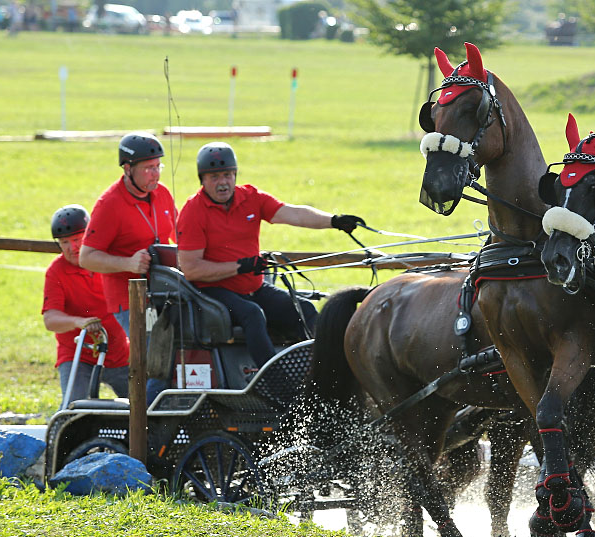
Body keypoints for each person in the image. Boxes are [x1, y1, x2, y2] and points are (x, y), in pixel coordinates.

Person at [176, 141, 365, 368]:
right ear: (202, 180)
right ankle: (274, 380)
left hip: (254, 287)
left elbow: (294, 214)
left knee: (302, 309)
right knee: (253, 315)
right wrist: (239, 266)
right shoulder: (193, 211)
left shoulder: (251, 197)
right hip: (212, 294)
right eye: (214, 177)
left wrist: (334, 221)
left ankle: (326, 370)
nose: (223, 183)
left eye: (227, 175)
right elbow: (191, 269)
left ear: (235, 175)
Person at [79, 132, 176, 335]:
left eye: (158, 167)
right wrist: (128, 264)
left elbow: (181, 236)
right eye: (149, 168)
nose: (156, 174)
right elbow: (86, 257)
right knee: (152, 352)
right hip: (131, 300)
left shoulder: (163, 193)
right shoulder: (109, 205)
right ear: (127, 168)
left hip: (166, 291)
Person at [43, 205, 130, 405]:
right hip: (77, 355)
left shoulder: (105, 262)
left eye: (76, 239)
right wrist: (79, 322)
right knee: (73, 408)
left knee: (144, 406)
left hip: (119, 353)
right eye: (64, 242)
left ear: (90, 235)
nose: (71, 248)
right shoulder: (56, 272)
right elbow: (50, 319)